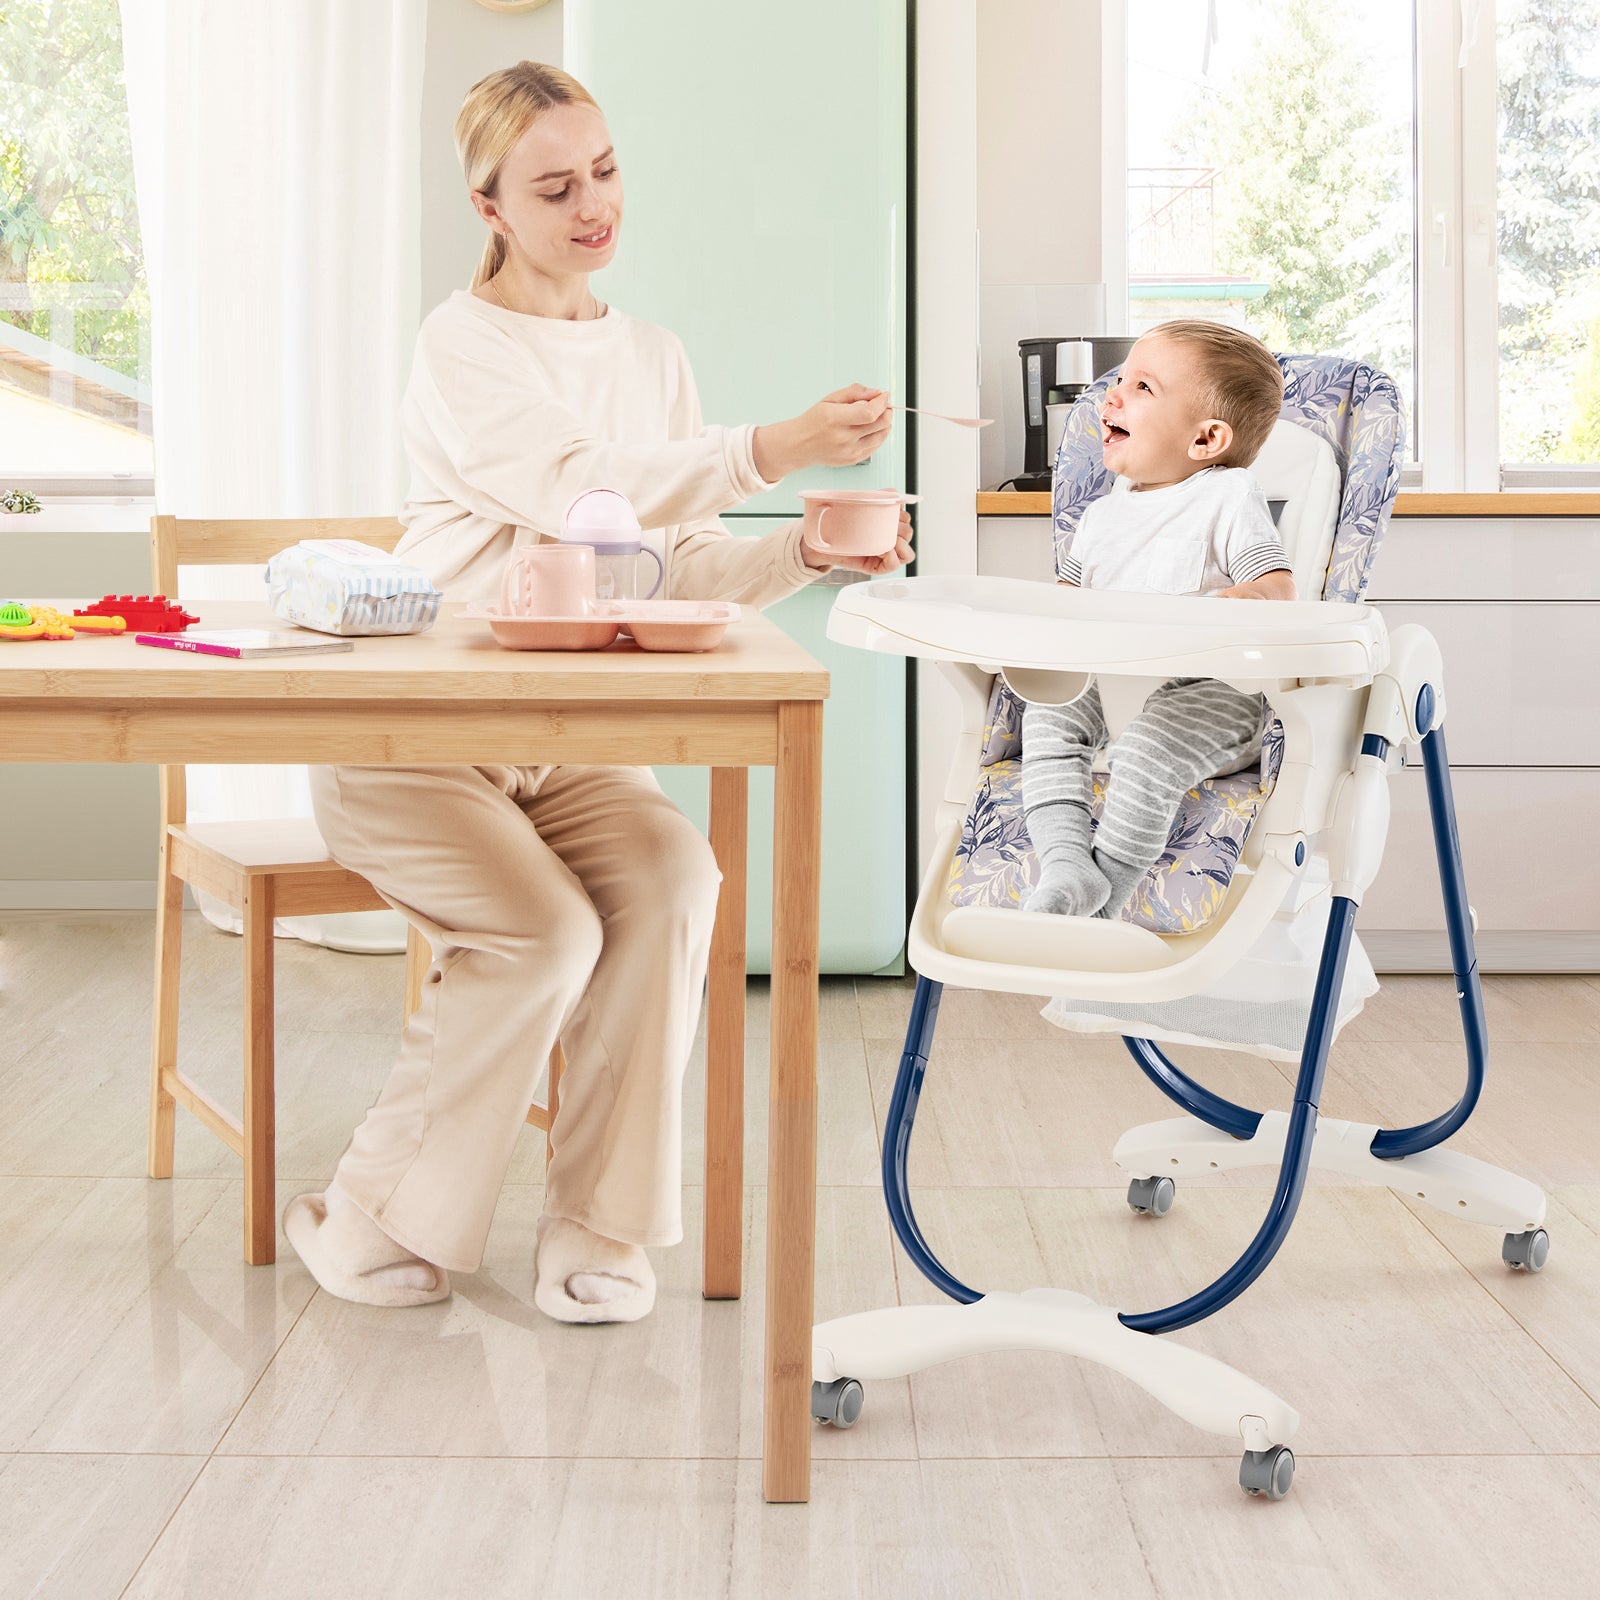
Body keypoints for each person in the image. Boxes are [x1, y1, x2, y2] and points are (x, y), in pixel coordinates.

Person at [285, 61, 913, 1324]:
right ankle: (368, 1210)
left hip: (566, 739)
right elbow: (585, 488)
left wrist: (804, 545)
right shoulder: (459, 345)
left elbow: (667, 562)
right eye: (556, 186)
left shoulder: (654, 355)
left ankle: (598, 1223)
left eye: (606, 171)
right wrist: (775, 445)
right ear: (490, 207)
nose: (593, 206)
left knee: (681, 879)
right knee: (545, 932)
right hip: (420, 735)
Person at [1020, 320, 1292, 920]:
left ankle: (1106, 896)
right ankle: (1068, 867)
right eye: (1119, 379)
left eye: (1142, 387)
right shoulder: (1099, 517)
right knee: (1047, 712)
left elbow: (1276, 589)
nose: (1110, 396)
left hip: (1210, 691)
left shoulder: (1227, 496)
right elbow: (1064, 608)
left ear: (1206, 439)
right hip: (1111, 680)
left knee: (1145, 748)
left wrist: (1227, 610)